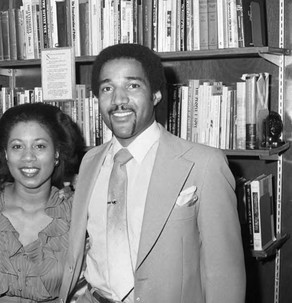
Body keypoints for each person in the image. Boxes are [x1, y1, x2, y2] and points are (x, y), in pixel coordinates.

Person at [57, 43, 246, 303]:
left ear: (156, 95)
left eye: (132, 86)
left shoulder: (204, 164)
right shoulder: (90, 161)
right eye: (107, 88)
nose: (118, 99)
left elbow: (224, 275)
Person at [0, 103, 83, 303]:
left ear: (57, 153)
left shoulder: (79, 213)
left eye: (39, 146)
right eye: (17, 146)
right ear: (5, 153)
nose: (28, 157)